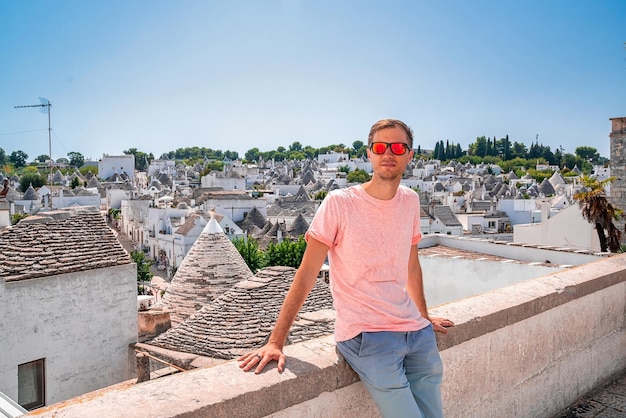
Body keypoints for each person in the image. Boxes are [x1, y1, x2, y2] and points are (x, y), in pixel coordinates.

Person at [238, 119, 454, 418]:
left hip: (416, 333)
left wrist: (423, 316)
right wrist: (276, 341)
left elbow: (411, 264)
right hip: (367, 336)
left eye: (397, 147)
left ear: (410, 155)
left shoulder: (410, 200)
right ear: (369, 154)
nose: (388, 153)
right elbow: (307, 272)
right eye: (380, 147)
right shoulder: (339, 203)